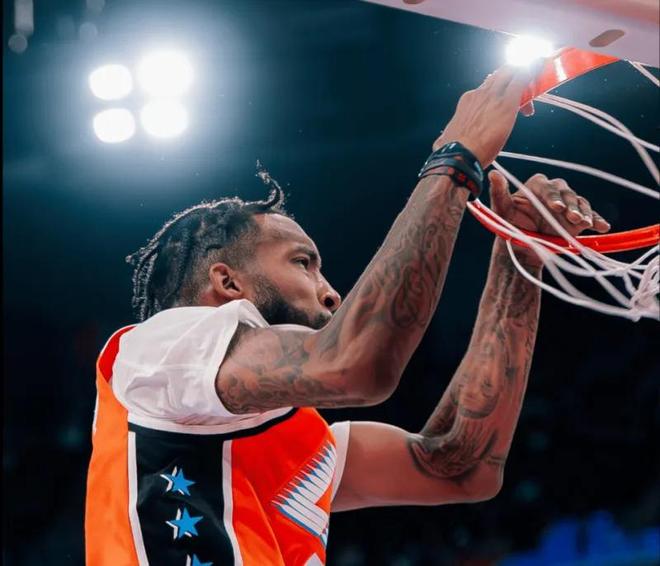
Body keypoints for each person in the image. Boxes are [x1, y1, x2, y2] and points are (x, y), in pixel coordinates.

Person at [85, 65, 610, 565]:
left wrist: (520, 257)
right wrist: (456, 157)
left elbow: (462, 467)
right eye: (303, 263)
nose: (331, 293)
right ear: (227, 283)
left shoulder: (295, 441)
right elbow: (353, 364)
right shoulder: (158, 351)